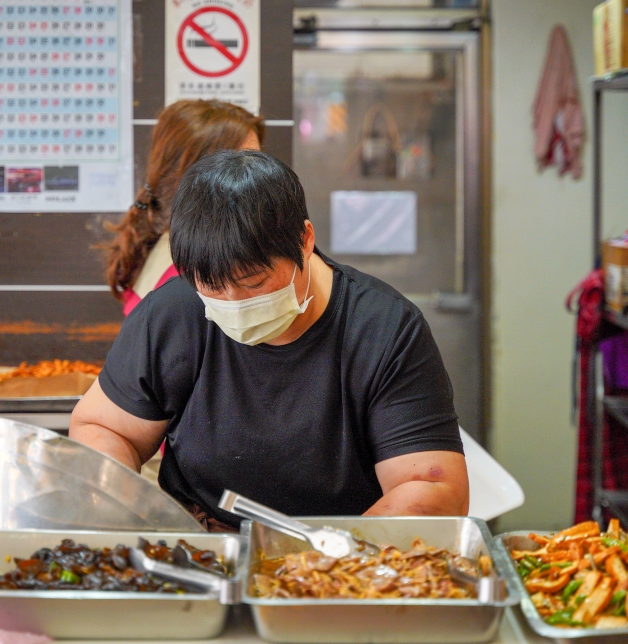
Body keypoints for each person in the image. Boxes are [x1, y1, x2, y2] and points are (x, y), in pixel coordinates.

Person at [71, 150, 468, 531]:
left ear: (304, 240)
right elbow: (106, 428)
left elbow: (434, 488)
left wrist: (327, 559)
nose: (233, 304)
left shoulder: (384, 330)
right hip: (201, 546)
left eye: (254, 284)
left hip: (346, 552)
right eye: (212, 287)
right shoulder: (173, 314)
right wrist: (124, 511)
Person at [102, 99, 264, 315]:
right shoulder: (210, 272)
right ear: (194, 174)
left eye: (259, 162)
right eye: (245, 165)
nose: (262, 176)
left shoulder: (161, 241)